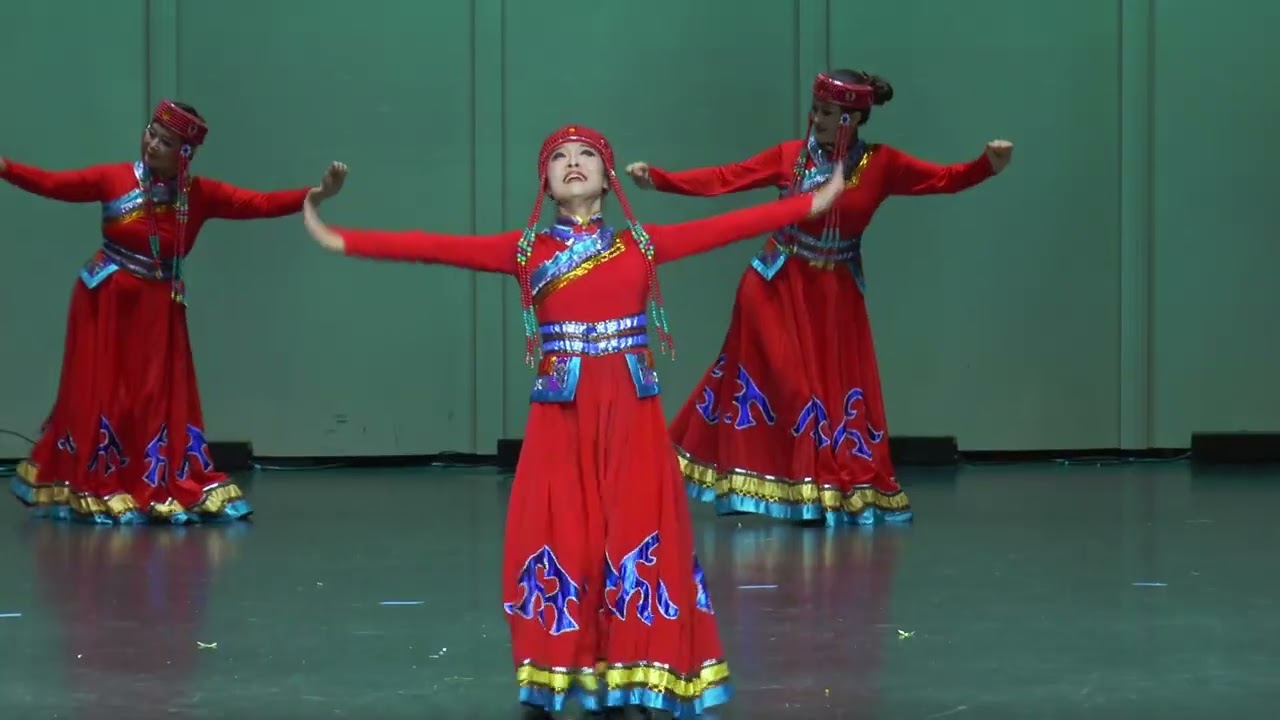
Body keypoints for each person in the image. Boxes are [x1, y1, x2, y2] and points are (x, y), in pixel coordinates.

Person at [301, 124, 845, 719]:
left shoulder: (641, 243)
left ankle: (638, 676)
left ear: (609, 178)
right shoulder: (524, 251)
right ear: (547, 183)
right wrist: (341, 238)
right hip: (563, 417)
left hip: (632, 415)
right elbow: (432, 244)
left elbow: (725, 227)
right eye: (559, 158)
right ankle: (561, 668)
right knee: (563, 539)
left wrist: (811, 203)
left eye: (587, 154)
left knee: (639, 537)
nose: (574, 163)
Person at [625, 69, 1013, 527]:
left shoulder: (882, 164)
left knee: (830, 399)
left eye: (827, 113)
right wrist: (662, 180)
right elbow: (726, 178)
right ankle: (783, 487)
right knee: (792, 391)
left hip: (835, 296)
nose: (816, 119)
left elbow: (944, 179)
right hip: (777, 286)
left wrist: (988, 164)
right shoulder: (792, 158)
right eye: (816, 110)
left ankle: (812, 494)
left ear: (851, 118)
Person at [2, 99, 348, 524]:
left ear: (184, 153)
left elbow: (257, 203)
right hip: (104, 305)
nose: (152, 144)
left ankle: (151, 480)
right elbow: (54, 184)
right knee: (103, 394)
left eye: (165, 142)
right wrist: (6, 167)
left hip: (157, 312)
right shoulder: (112, 178)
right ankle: (97, 483)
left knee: (150, 398)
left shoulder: (198, 196)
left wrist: (316, 194)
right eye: (151, 132)